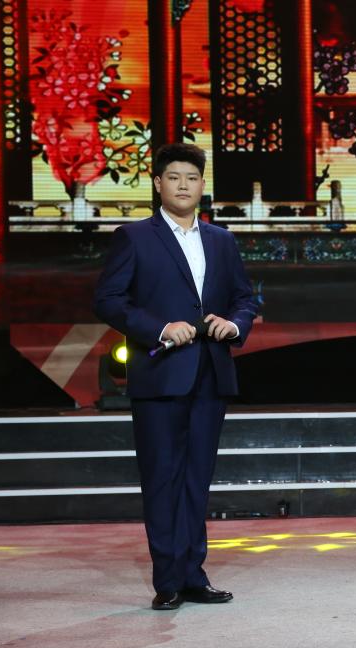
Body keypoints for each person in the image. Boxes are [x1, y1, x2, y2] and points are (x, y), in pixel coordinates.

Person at [94, 143, 256, 610]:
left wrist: (234, 324)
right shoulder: (134, 237)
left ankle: (193, 575)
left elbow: (245, 298)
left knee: (196, 479)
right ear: (157, 183)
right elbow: (108, 300)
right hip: (161, 374)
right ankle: (167, 580)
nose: (183, 185)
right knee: (162, 478)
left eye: (192, 178)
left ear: (202, 185)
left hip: (210, 373)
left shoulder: (221, 240)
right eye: (174, 177)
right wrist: (160, 328)